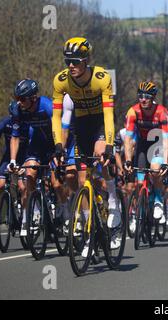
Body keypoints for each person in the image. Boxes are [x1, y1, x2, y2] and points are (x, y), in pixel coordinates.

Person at [51, 37, 119, 252]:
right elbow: (57, 116)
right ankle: (89, 227)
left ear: (86, 60)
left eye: (76, 61)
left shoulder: (102, 78)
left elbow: (109, 114)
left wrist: (108, 144)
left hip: (100, 122)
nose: (71, 65)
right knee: (82, 180)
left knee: (101, 154)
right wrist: (59, 145)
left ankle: (113, 197)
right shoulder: (60, 80)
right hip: (81, 126)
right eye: (67, 61)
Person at [9, 79, 59, 236]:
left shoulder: (47, 106)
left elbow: (59, 128)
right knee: (29, 174)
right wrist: (12, 160)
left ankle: (63, 209)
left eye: (22, 99)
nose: (19, 102)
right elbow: (15, 137)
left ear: (33, 98)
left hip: (53, 143)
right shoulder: (19, 110)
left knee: (56, 183)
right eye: (17, 98)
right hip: (36, 143)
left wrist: (59, 151)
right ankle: (35, 212)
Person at [124, 81, 168, 223]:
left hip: (158, 144)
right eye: (140, 96)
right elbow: (128, 139)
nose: (143, 99)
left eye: (147, 96)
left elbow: (167, 140)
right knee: (139, 182)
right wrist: (128, 160)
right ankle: (141, 211)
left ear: (153, 97)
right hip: (142, 144)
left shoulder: (162, 112)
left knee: (155, 171)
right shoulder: (133, 111)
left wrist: (166, 163)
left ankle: (157, 200)